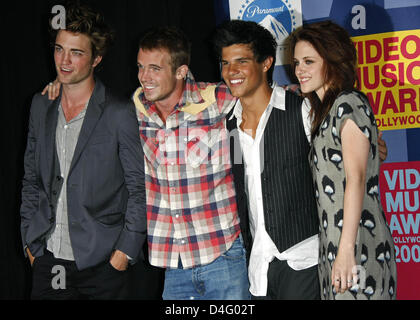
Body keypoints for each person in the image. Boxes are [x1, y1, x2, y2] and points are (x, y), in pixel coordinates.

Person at [20, 4, 147, 299]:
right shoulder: (41, 106)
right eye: (59, 49)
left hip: (102, 265)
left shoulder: (118, 113)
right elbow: (30, 181)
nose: (64, 61)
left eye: (76, 52)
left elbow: (139, 189)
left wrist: (124, 253)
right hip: (49, 260)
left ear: (96, 59)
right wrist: (31, 243)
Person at [131, 26, 250, 300]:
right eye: (140, 67)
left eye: (154, 68)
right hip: (174, 266)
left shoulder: (216, 99)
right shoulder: (136, 110)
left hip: (223, 256)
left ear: (181, 71)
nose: (143, 77)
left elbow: (272, 98)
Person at [289, 20, 397, 300]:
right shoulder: (325, 111)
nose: (300, 69)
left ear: (333, 61)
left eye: (309, 61)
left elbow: (357, 178)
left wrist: (347, 250)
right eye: (297, 62)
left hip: (358, 244)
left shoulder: (348, 103)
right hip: (335, 245)